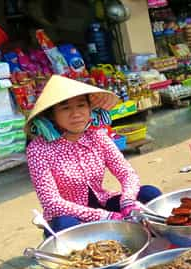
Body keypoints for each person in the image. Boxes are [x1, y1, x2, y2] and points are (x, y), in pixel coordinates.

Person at [26, 75, 162, 234]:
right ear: (51, 115)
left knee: (149, 193)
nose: (76, 113)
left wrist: (128, 202)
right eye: (65, 108)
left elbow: (126, 173)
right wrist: (106, 216)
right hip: (69, 217)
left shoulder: (97, 137)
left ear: (90, 110)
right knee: (65, 225)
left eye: (81, 105)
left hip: (102, 202)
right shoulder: (38, 149)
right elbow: (51, 202)